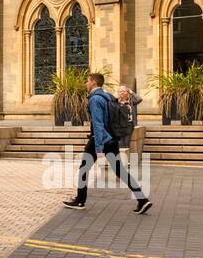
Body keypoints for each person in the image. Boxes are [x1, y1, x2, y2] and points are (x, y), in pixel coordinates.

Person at [64, 72, 152, 214]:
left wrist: (98, 148)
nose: (86, 84)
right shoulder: (107, 96)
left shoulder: (95, 99)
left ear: (93, 82)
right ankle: (142, 199)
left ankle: (80, 200)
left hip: (99, 139)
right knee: (121, 171)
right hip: (111, 139)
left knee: (83, 169)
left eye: (87, 81)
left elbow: (98, 124)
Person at [116, 85, 143, 151]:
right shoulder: (116, 102)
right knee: (120, 143)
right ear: (118, 92)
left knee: (126, 142)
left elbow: (139, 99)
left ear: (127, 92)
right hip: (119, 126)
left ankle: (126, 159)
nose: (122, 92)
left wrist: (132, 92)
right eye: (120, 91)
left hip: (129, 125)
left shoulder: (131, 101)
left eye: (124, 91)